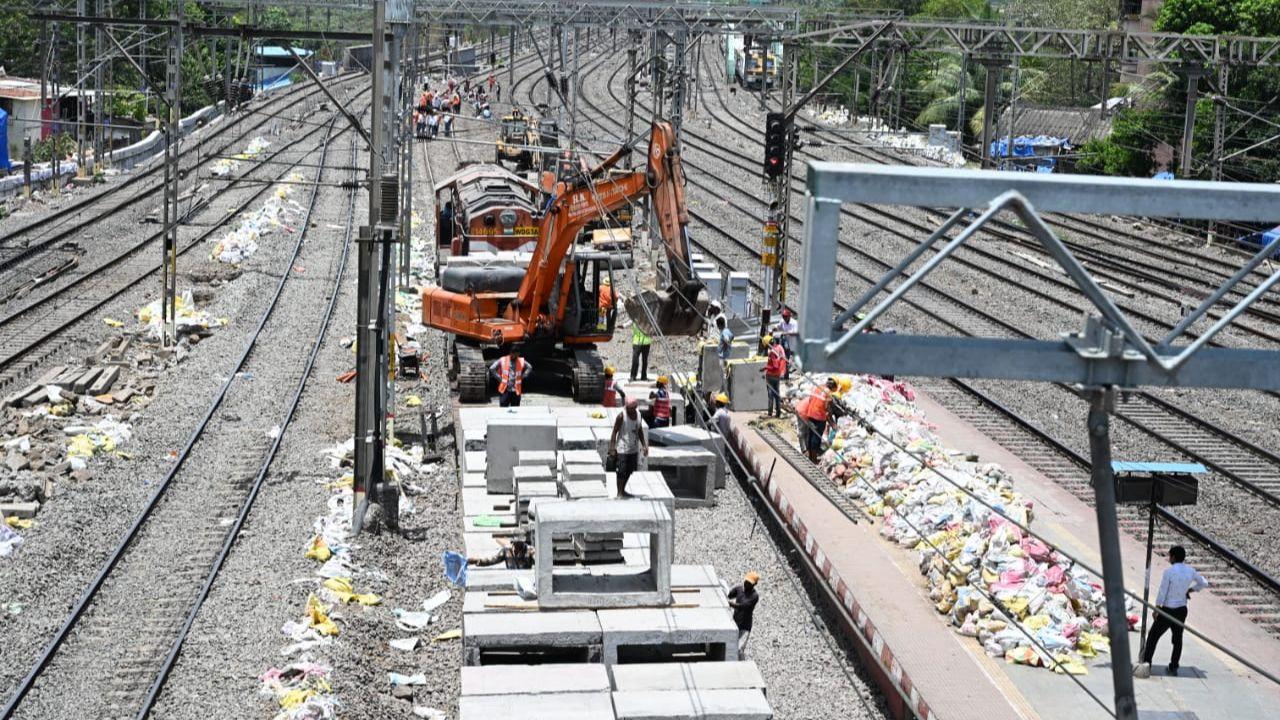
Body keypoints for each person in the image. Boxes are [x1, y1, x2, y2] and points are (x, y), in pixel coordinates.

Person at [1135, 545, 1208, 678]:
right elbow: (1204, 583)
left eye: (1170, 556)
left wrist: (1157, 607)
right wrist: (1190, 590)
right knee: (1177, 639)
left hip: (1167, 610)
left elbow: (1163, 591)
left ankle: (1147, 663)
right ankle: (1174, 666)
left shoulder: (1169, 572)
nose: (1169, 558)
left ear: (1173, 557)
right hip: (1181, 610)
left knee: (1153, 637)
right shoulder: (1190, 571)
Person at [609, 398, 648, 498]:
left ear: (635, 407)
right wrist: (612, 448)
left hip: (633, 448)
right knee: (621, 471)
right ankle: (619, 493)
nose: (629, 409)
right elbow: (614, 431)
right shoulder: (622, 416)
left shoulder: (639, 415)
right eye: (628, 408)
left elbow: (639, 430)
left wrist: (644, 445)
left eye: (631, 408)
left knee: (629, 470)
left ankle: (623, 490)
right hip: (622, 448)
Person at [793, 378, 836, 463]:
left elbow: (813, 400)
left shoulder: (818, 387)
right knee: (813, 437)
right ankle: (810, 456)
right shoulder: (828, 393)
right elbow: (827, 408)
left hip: (810, 414)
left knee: (810, 435)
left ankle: (810, 455)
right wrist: (832, 423)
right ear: (833, 387)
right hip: (814, 415)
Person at [728, 571, 760, 658]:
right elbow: (729, 594)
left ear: (754, 584)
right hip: (735, 624)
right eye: (746, 581)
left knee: (739, 649)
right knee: (730, 648)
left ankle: (741, 666)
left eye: (750, 583)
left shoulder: (754, 596)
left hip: (745, 627)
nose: (747, 584)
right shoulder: (739, 589)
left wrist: (730, 604)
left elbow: (743, 606)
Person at [761, 335, 786, 418]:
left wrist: (765, 368)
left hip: (771, 376)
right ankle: (778, 413)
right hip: (778, 375)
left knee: (771, 395)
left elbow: (775, 366)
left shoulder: (772, 352)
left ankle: (770, 413)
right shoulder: (779, 347)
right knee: (777, 395)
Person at [467, 538, 533, 569]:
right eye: (517, 543)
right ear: (513, 543)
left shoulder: (529, 551)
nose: (519, 545)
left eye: (521, 543)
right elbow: (492, 560)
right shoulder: (506, 551)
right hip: (511, 579)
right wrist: (477, 561)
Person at [773, 309, 797, 380]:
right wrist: (775, 328)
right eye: (783, 317)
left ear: (789, 316)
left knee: (789, 359)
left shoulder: (794, 323)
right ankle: (785, 375)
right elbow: (778, 326)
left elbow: (796, 333)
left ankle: (789, 373)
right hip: (785, 343)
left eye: (786, 317)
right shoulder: (782, 321)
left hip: (792, 343)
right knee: (784, 358)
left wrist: (786, 333)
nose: (784, 318)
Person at [715, 316, 734, 391]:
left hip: (723, 357)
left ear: (719, 325)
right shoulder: (727, 330)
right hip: (726, 355)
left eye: (717, 325)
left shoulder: (724, 332)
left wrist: (726, 345)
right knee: (725, 374)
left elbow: (727, 339)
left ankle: (724, 390)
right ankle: (724, 389)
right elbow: (732, 336)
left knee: (723, 375)